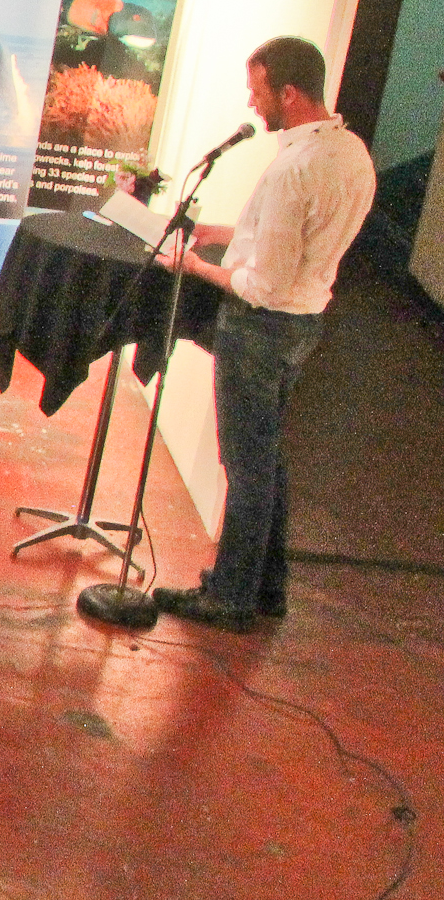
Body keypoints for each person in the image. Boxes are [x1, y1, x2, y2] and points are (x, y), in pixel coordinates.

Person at [147, 37, 376, 630]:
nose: (251, 103)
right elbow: (292, 241)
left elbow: (263, 285)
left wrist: (193, 265)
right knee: (267, 459)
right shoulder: (351, 153)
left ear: (289, 93)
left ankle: (229, 598)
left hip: (260, 329)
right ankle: (267, 588)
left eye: (257, 91)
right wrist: (220, 233)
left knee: (246, 468)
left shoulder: (295, 168)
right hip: (305, 324)